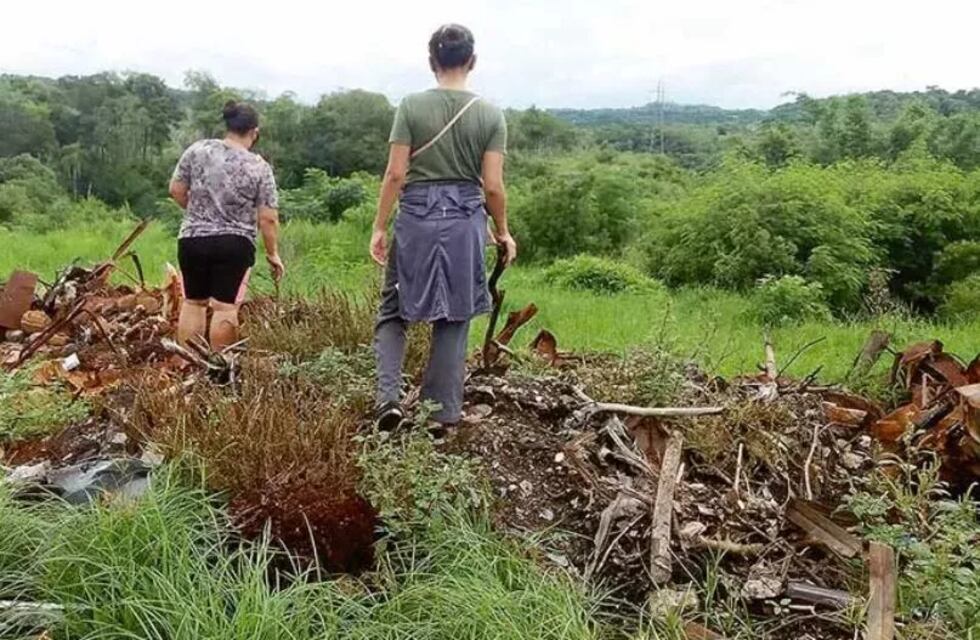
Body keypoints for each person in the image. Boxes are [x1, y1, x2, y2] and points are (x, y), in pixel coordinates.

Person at [370, 23, 517, 430]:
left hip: (415, 215)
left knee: (393, 309)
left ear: (431, 61)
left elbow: (395, 174)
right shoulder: (490, 114)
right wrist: (501, 230)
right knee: (455, 314)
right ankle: (440, 415)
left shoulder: (410, 107)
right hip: (466, 218)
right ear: (472, 61)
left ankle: (388, 400)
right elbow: (492, 185)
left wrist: (380, 226)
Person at [169, 101, 285, 350]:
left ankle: (188, 367)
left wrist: (199, 214)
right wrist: (273, 253)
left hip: (193, 240)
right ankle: (220, 370)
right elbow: (268, 218)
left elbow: (176, 190)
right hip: (234, 244)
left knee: (193, 303)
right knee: (224, 307)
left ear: (228, 126)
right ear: (254, 132)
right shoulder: (259, 167)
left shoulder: (197, 150)